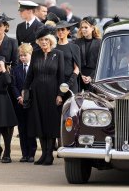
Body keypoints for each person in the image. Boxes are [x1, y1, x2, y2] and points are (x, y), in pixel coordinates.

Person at [23, 26, 64, 166]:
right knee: (39, 123)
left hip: (52, 93)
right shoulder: (35, 54)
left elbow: (61, 77)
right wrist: (25, 89)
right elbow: (30, 75)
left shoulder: (58, 54)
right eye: (41, 40)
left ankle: (49, 155)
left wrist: (60, 95)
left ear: (51, 40)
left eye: (46, 39)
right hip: (37, 93)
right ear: (38, 42)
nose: (44, 42)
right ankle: (43, 154)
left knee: (50, 123)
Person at [11, 43, 37, 163]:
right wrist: (18, 97)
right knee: (22, 129)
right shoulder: (16, 69)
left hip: (31, 103)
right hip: (20, 103)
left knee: (31, 128)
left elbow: (35, 84)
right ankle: (24, 153)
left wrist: (28, 97)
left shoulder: (35, 68)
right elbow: (14, 85)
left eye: (25, 55)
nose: (22, 58)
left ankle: (32, 153)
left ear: (30, 55)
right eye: (20, 56)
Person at [74, 16, 102, 91]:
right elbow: (74, 61)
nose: (83, 29)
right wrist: (81, 75)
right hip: (79, 77)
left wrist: (91, 77)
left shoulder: (99, 43)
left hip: (94, 77)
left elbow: (101, 63)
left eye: (86, 27)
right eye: (82, 27)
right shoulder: (77, 42)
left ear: (92, 28)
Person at [55, 20, 81, 99]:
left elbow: (77, 68)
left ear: (68, 31)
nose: (60, 32)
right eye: (58, 30)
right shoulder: (53, 47)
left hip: (71, 82)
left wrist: (69, 83)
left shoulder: (74, 47)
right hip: (56, 82)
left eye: (63, 29)